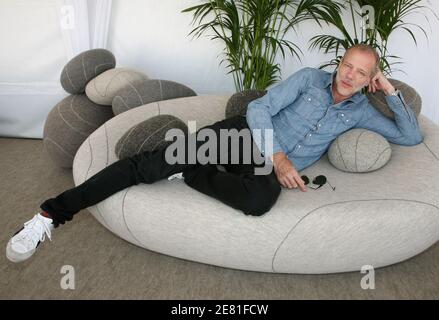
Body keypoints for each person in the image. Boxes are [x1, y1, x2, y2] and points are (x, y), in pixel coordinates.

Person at [6, 44, 423, 263]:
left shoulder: (363, 110)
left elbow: (408, 136)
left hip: (265, 165)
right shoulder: (309, 79)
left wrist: (391, 93)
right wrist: (278, 157)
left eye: (362, 72)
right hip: (245, 136)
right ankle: (49, 214)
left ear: (372, 77)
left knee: (259, 201)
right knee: (147, 166)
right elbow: (258, 108)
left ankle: (190, 172)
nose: (350, 75)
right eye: (347, 65)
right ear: (340, 64)